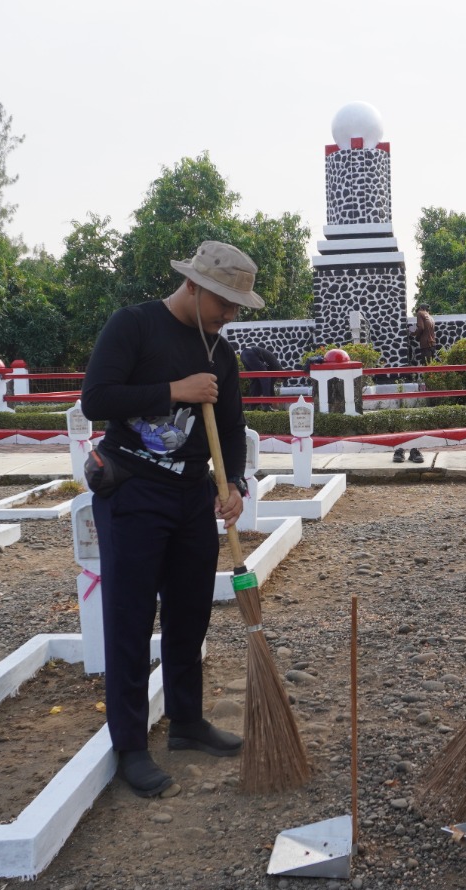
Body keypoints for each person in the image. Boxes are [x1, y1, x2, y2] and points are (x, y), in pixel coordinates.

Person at [79, 240, 257, 798]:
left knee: (190, 613)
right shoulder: (133, 326)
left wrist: (232, 484)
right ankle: (130, 746)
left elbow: (229, 428)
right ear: (195, 286)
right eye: (224, 302)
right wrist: (174, 390)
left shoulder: (220, 355)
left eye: (236, 306)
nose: (230, 315)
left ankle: (187, 722)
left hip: (188, 497)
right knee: (131, 621)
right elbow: (96, 398)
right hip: (132, 491)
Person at [239, 343, 283, 410]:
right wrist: (275, 403)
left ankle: (252, 406)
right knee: (266, 377)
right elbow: (270, 386)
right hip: (251, 354)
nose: (277, 381)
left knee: (255, 380)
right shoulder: (277, 368)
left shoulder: (272, 364)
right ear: (281, 376)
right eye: (280, 381)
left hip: (243, 355)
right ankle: (266, 405)